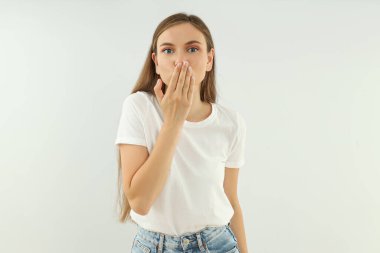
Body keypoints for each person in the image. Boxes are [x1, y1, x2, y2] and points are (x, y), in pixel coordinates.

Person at [114, 12, 248, 253]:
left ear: (209, 59)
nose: (180, 60)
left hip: (218, 244)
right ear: (155, 61)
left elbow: (231, 200)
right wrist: (174, 121)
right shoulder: (138, 107)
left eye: (192, 49)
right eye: (168, 50)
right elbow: (140, 202)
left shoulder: (231, 123)